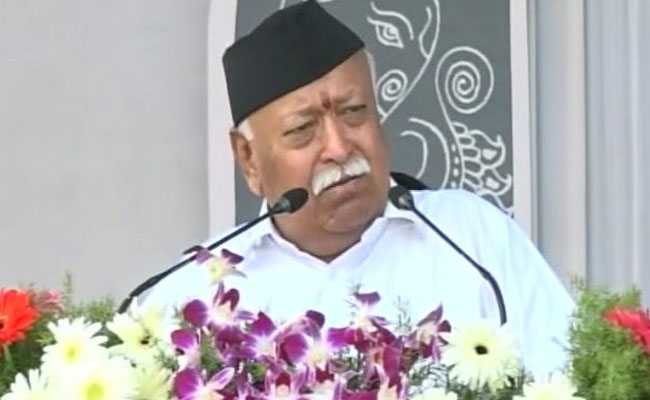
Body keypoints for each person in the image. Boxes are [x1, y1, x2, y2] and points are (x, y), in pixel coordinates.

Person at [145, 0, 574, 379]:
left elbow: (571, 377)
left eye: (354, 112)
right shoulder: (193, 295)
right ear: (249, 159)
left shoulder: (474, 238)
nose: (339, 147)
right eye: (302, 130)